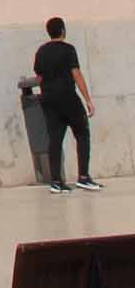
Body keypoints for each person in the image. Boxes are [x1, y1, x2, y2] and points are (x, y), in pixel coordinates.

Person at [33, 17, 101, 194]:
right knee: (82, 133)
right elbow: (76, 74)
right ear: (63, 30)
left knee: (54, 139)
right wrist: (87, 99)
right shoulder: (68, 50)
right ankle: (83, 177)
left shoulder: (41, 51)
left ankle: (56, 181)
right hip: (68, 98)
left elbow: (39, 77)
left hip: (48, 100)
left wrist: (48, 92)